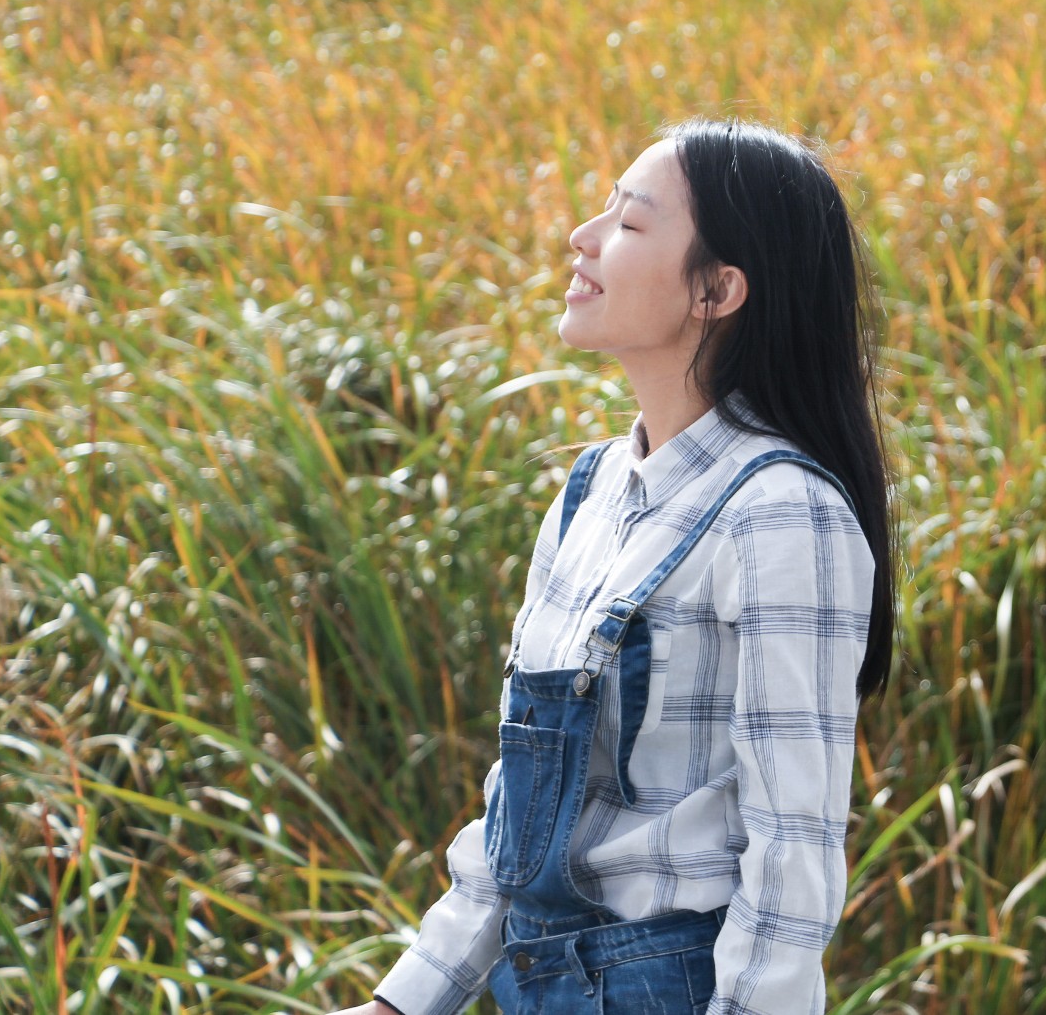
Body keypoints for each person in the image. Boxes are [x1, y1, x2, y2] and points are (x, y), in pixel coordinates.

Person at [328, 119, 897, 1015]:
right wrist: (401, 1003)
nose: (582, 238)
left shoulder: (783, 513)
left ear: (717, 287)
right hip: (539, 987)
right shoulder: (592, 493)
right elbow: (520, 810)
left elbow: (792, 855)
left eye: (629, 224)